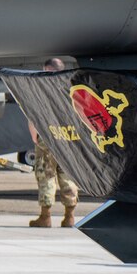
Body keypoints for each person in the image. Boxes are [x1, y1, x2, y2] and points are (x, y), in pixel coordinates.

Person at [29, 58, 80, 228]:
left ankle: (45, 217)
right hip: (67, 137)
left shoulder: (41, 89)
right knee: (68, 175)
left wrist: (34, 136)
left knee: (46, 175)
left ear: (48, 70)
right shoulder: (70, 88)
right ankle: (69, 216)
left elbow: (33, 116)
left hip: (47, 136)